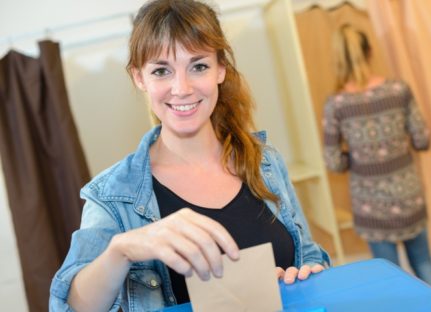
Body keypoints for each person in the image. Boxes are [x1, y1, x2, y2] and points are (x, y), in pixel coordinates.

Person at [49, 1, 330, 311]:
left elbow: (310, 256)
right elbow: (70, 307)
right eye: (161, 71)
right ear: (139, 77)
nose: (181, 88)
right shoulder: (114, 195)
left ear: (220, 70)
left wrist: (306, 277)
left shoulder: (265, 161)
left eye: (198, 66)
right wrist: (121, 249)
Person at [322, 25, 431, 291]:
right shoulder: (399, 90)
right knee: (424, 264)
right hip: (408, 195)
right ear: (370, 52)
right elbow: (422, 139)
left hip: (370, 205)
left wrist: (358, 157)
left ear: (339, 59)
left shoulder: (336, 104)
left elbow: (333, 162)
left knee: (391, 280)